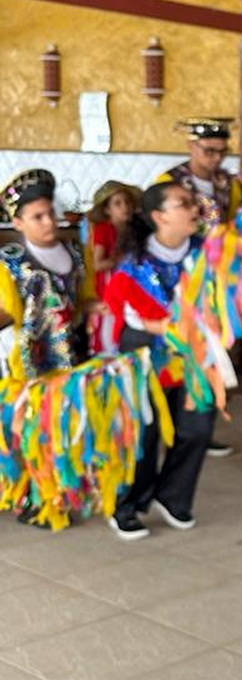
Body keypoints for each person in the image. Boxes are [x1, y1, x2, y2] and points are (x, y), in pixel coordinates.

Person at [103, 182, 217, 540]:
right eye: (183, 203)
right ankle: (127, 505)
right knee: (145, 432)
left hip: (192, 349)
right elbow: (126, 312)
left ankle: (172, 496)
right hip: (144, 349)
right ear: (159, 217)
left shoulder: (205, 254)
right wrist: (168, 325)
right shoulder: (134, 262)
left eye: (193, 202)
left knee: (197, 426)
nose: (194, 209)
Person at [0, 168, 101, 527]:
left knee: (64, 427)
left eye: (49, 213)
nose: (47, 222)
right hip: (28, 365)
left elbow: (85, 297)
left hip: (70, 359)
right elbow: (7, 310)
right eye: (36, 217)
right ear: (18, 222)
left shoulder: (75, 253)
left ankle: (60, 491)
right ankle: (33, 497)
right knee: (31, 431)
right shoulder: (11, 263)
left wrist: (100, 307)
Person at [160, 116, 240, 458]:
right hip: (182, 280)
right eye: (208, 151)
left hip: (218, 281)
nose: (215, 159)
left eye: (221, 152)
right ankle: (178, 431)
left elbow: (234, 222)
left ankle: (201, 429)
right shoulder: (170, 182)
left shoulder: (226, 182)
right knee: (184, 352)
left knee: (215, 352)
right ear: (191, 147)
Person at [85, 180, 138, 354]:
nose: (125, 207)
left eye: (127, 202)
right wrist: (120, 260)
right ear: (107, 210)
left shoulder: (133, 230)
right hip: (109, 289)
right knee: (109, 331)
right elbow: (98, 264)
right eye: (118, 203)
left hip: (129, 287)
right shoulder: (103, 229)